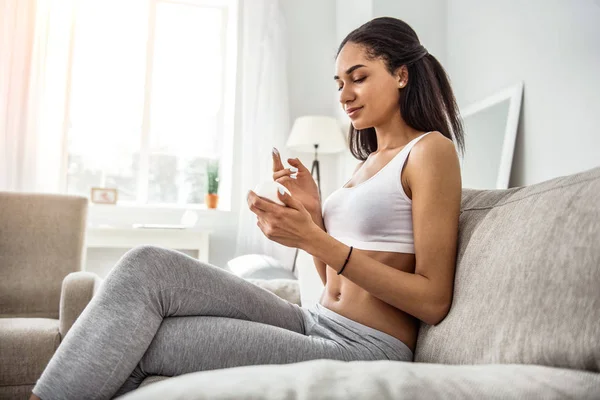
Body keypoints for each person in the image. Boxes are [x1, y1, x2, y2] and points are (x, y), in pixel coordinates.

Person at [30, 16, 463, 400]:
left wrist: (314, 237)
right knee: (147, 265)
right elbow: (334, 282)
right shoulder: (366, 164)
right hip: (316, 319)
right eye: (338, 83)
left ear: (401, 75)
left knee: (151, 342)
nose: (344, 95)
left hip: (365, 349)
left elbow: (432, 300)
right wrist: (313, 214)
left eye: (358, 77)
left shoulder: (430, 152)